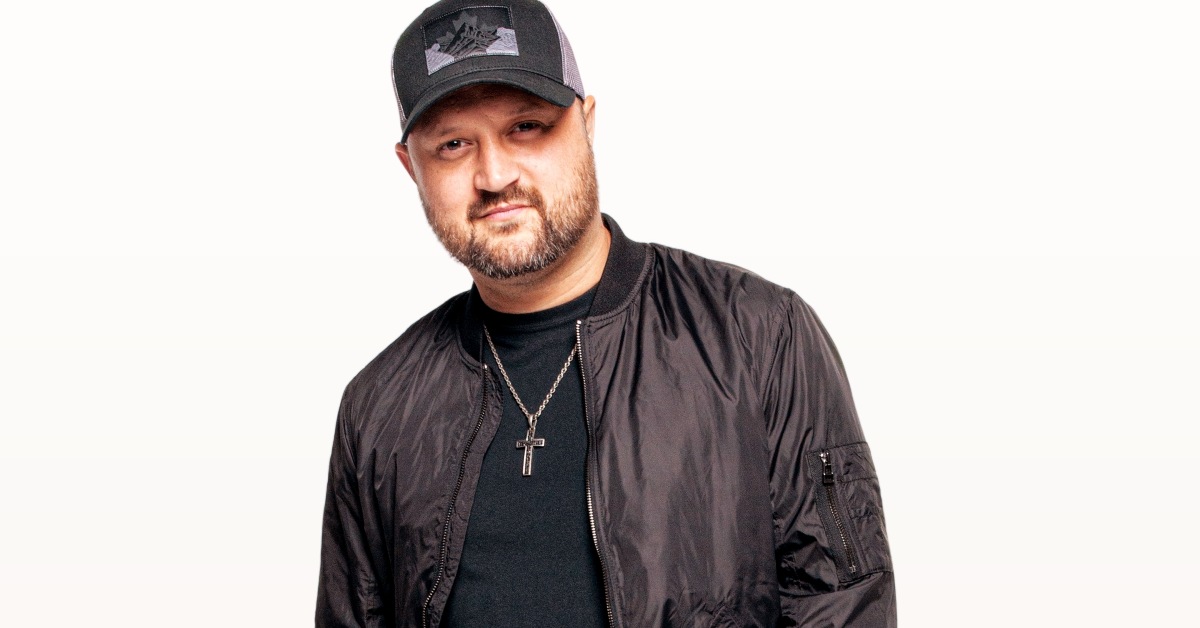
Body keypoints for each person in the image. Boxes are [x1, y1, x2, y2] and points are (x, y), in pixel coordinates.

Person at [316, 0, 896, 625]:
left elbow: (844, 607)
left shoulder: (758, 335)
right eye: (453, 145)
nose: (494, 174)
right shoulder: (378, 408)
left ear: (586, 123)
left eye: (527, 127)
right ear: (412, 168)